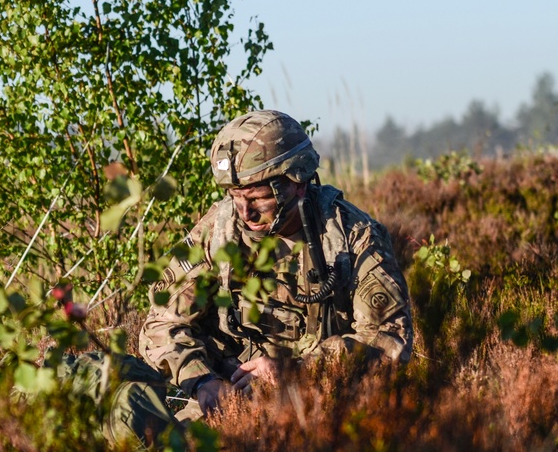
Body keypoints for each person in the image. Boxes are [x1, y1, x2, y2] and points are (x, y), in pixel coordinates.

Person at [139, 109, 413, 417]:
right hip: (227, 397)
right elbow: (162, 324)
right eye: (235, 196)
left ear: (297, 182)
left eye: (257, 198)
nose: (245, 212)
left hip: (323, 398)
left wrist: (295, 372)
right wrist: (204, 382)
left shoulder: (354, 236)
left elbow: (388, 338)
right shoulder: (218, 231)